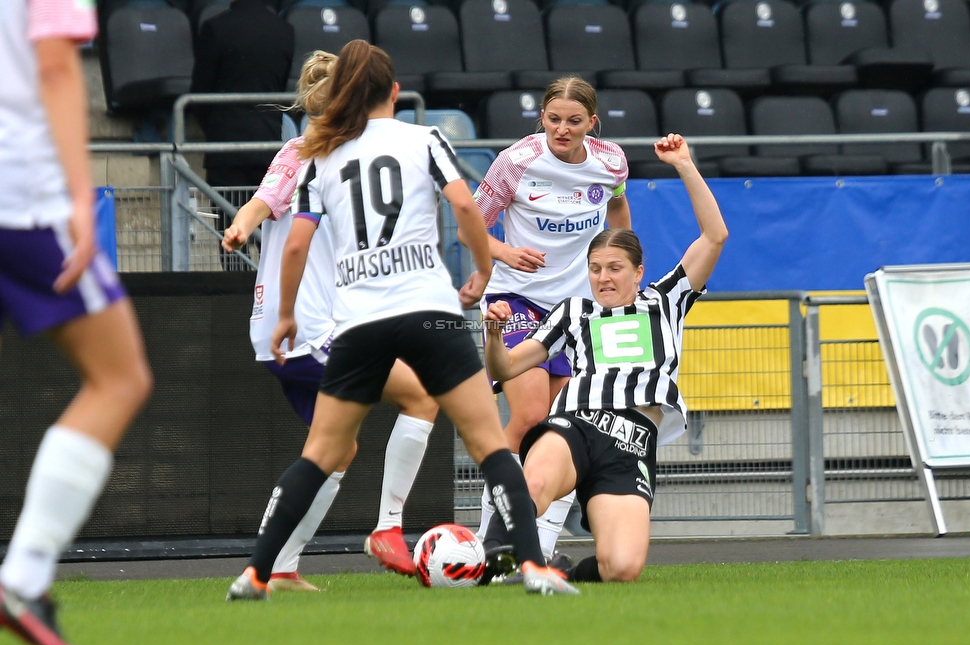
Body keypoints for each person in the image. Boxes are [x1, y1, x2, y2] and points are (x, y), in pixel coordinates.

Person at [226, 39, 577, 600]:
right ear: (393, 92)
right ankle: (532, 567)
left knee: (322, 453)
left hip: (359, 322)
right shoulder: (425, 139)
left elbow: (295, 247)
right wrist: (484, 270)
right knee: (488, 441)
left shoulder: (319, 158)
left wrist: (286, 312)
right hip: (427, 312)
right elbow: (465, 208)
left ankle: (257, 574)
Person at [222, 51, 437, 586]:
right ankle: (388, 527)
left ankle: (280, 567)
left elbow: (261, 206)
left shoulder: (309, 152)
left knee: (336, 448)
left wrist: (243, 227)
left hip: (284, 327)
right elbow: (263, 207)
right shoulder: (312, 156)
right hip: (306, 327)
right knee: (421, 395)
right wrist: (243, 225)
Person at [481, 133, 727, 583]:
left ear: (638, 272)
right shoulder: (573, 311)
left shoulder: (667, 300)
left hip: (631, 442)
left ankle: (560, 572)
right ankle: (495, 554)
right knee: (534, 480)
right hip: (577, 423)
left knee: (623, 568)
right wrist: (494, 336)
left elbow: (715, 235)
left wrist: (684, 164)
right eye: (595, 269)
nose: (603, 278)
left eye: (614, 269)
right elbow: (506, 369)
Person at [0, 1, 154, 645]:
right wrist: (77, 197)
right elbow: (58, 67)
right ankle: (25, 576)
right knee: (119, 378)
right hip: (20, 199)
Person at [466, 76, 631, 562]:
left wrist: (618, 263)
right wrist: (505, 252)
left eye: (574, 121)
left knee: (565, 428)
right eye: (554, 119)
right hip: (516, 300)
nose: (563, 128)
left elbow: (618, 205)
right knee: (531, 414)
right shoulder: (515, 162)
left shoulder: (611, 162)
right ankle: (485, 540)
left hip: (577, 309)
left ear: (592, 124)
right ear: (542, 117)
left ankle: (540, 547)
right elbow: (472, 224)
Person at [190, 0, 294, 270]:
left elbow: (199, 93)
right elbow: (280, 86)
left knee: (232, 240)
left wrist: (215, 127)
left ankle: (235, 308)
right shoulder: (284, 29)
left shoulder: (215, 28)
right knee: (271, 242)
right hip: (269, 148)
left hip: (225, 150)